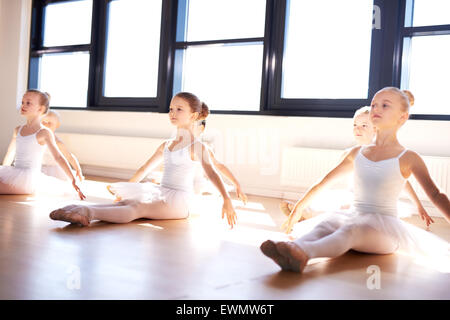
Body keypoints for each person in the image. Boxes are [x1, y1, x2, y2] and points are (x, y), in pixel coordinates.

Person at [261, 87, 449, 273]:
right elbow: (324, 182)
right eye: (374, 105)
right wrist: (298, 207)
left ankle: (303, 253)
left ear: (402, 117)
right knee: (329, 222)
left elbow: (435, 194)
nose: (376, 109)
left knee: (353, 229)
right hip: (354, 214)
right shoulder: (356, 153)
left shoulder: (408, 157)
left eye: (385, 105)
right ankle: (292, 248)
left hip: (385, 230)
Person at [49, 92, 237, 228]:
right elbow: (144, 168)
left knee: (138, 208)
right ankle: (79, 208)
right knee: (125, 203)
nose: (172, 113)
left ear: (194, 116)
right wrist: (128, 189)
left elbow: (212, 172)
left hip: (180, 201)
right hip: (161, 191)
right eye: (171, 109)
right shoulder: (167, 144)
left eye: (179, 109)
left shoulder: (198, 146)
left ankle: (87, 213)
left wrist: (227, 200)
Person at [279, 106, 434, 227]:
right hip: (354, 197)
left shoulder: (387, 155)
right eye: (355, 124)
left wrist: (419, 205)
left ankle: (308, 216)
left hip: (375, 203)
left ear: (376, 129)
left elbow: (404, 183)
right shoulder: (350, 154)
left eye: (364, 125)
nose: (357, 128)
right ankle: (304, 213)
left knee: (350, 211)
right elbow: (325, 181)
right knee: (340, 207)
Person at [0, 90, 85, 199]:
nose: (23, 105)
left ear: (40, 109)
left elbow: (58, 157)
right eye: (22, 102)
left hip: (27, 179)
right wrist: (4, 173)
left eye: (28, 103)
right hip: (15, 172)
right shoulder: (18, 130)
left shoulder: (44, 132)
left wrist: (73, 179)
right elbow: (10, 154)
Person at [41, 110, 84, 182]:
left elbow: (69, 156)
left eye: (50, 123)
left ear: (57, 125)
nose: (46, 125)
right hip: (40, 167)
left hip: (54, 170)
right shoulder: (37, 137)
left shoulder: (58, 142)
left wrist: (78, 169)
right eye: (43, 122)